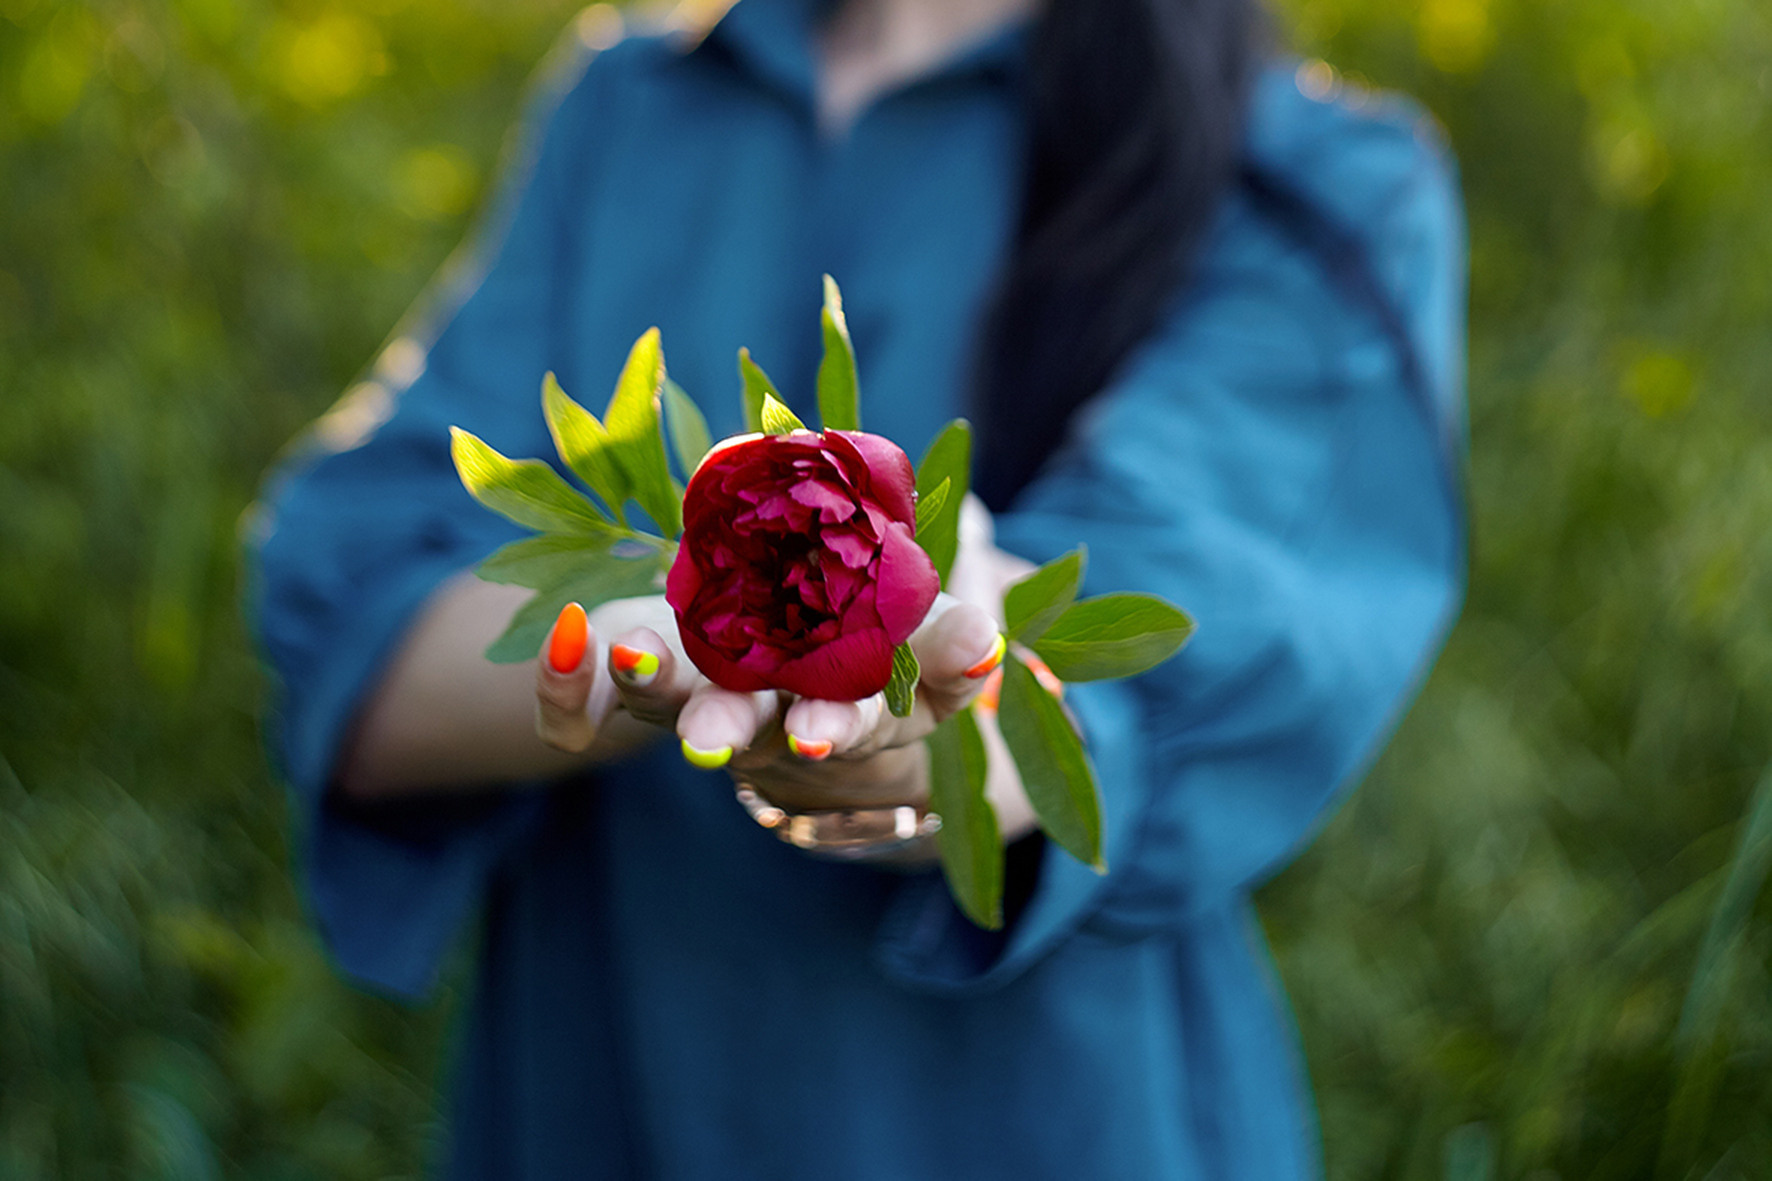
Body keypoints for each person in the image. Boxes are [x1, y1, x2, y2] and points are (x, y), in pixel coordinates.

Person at [246, 0, 1466, 1174]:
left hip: (1038, 1123)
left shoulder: (1316, 191)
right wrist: (655, 667)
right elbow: (349, 622)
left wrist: (883, 718)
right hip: (597, 1100)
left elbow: (1096, 677)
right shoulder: (633, 102)